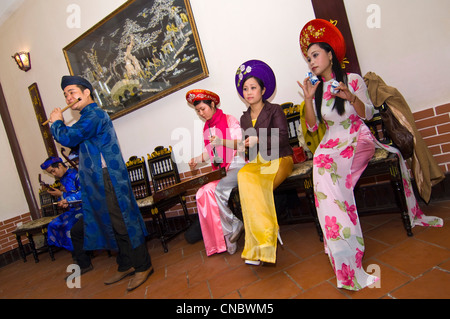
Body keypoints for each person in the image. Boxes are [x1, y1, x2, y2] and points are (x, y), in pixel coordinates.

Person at [297, 19, 443, 290]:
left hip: (356, 137)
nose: (311, 62)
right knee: (322, 174)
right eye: (308, 58)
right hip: (330, 143)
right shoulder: (315, 91)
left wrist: (349, 96)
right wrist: (307, 99)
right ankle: (343, 252)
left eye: (315, 55)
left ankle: (344, 240)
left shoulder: (351, 80)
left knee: (331, 178)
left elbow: (368, 114)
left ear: (330, 54)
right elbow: (313, 126)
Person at [49, 75, 153, 291]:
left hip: (109, 176)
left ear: (86, 92)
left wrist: (57, 122)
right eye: (65, 94)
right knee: (111, 222)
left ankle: (143, 266)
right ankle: (125, 264)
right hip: (97, 179)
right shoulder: (85, 118)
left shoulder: (95, 115)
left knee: (123, 221)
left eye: (72, 91)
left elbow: (68, 138)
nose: (68, 97)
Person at [235, 60, 293, 265]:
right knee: (243, 176)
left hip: (280, 157)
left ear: (263, 90)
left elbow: (284, 138)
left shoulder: (274, 110)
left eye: (253, 87)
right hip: (259, 160)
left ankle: (265, 242)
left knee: (256, 185)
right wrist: (244, 147)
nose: (249, 92)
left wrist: (258, 139)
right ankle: (260, 243)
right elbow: (250, 151)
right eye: (245, 88)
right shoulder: (243, 119)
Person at [187, 89, 246, 256]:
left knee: (218, 190)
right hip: (221, 171)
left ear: (212, 105)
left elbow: (241, 145)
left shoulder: (229, 119)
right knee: (203, 193)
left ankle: (233, 225)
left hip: (236, 165)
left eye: (203, 109)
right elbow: (210, 152)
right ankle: (225, 240)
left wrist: (221, 141)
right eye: (198, 111)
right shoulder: (207, 128)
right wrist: (197, 160)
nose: (201, 113)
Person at [40, 156, 92, 273]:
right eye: (50, 173)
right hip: (74, 209)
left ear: (59, 165)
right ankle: (77, 255)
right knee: (54, 224)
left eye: (53, 171)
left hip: (85, 208)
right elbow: (67, 195)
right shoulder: (62, 179)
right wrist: (63, 199)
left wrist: (65, 198)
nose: (54, 174)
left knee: (70, 227)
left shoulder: (76, 173)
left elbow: (84, 192)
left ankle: (83, 261)